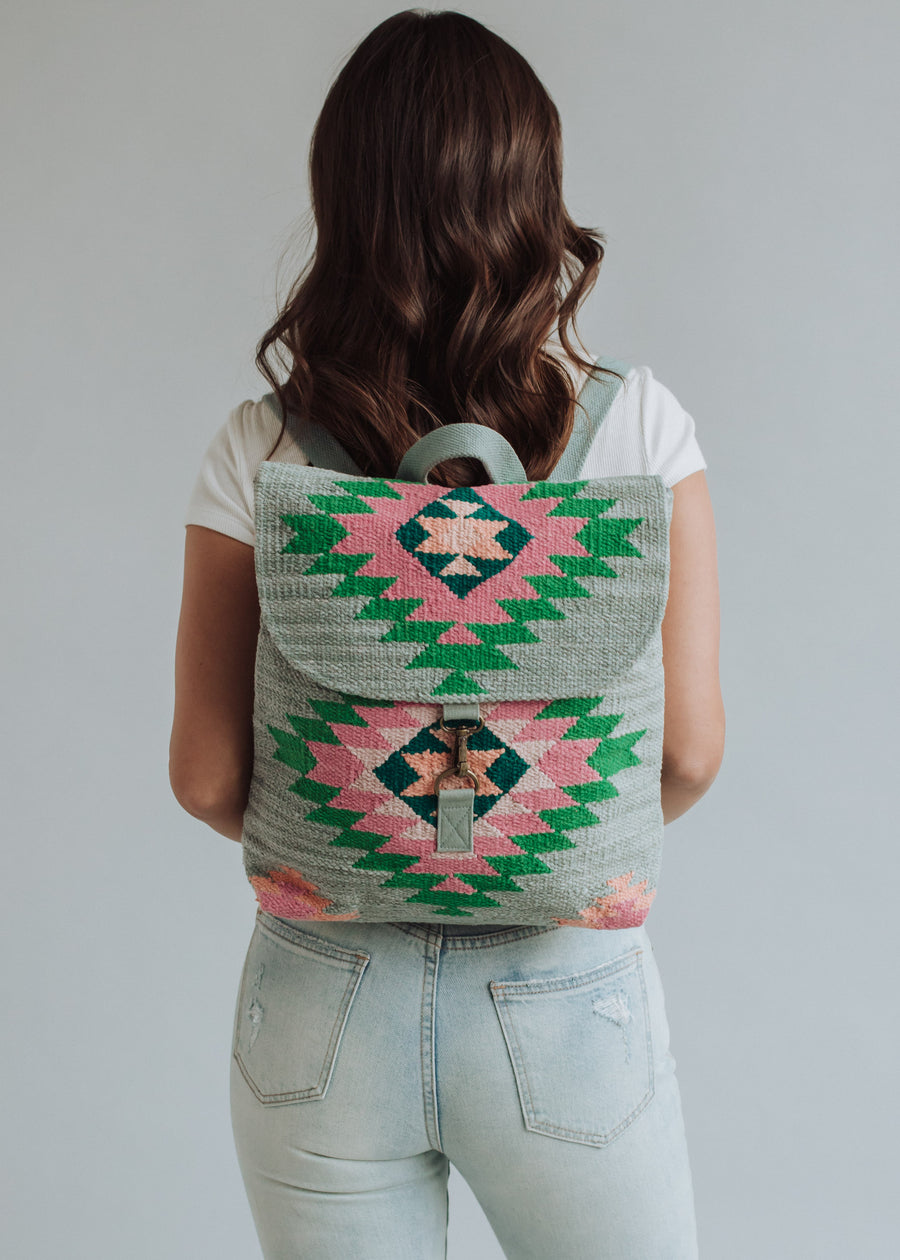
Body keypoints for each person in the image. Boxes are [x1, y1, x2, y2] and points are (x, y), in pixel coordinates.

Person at [169, 10, 725, 1258]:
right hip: (565, 995)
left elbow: (205, 776)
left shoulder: (263, 449)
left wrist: (366, 834)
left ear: (344, 201)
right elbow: (688, 756)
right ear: (535, 197)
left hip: (322, 998)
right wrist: (541, 842)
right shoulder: (641, 432)